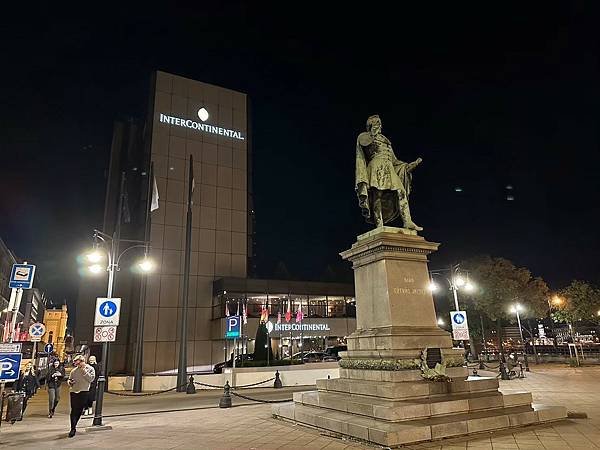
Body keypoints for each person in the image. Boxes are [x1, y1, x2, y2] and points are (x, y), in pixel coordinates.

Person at [355, 115, 423, 230]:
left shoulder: (385, 140)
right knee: (378, 195)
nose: (379, 125)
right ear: (371, 125)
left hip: (389, 168)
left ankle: (407, 221)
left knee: (401, 192)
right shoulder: (364, 136)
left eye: (380, 123)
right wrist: (373, 133)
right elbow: (364, 144)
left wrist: (408, 166)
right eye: (377, 123)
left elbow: (394, 160)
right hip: (376, 167)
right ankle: (379, 224)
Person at [67, 354, 95, 438]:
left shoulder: (90, 369)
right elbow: (69, 379)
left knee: (79, 410)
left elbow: (91, 379)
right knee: (73, 410)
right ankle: (73, 428)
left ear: (83, 361)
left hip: (84, 391)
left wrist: (84, 371)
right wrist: (70, 382)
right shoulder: (74, 371)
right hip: (74, 391)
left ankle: (74, 425)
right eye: (76, 363)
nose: (77, 365)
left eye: (79, 363)